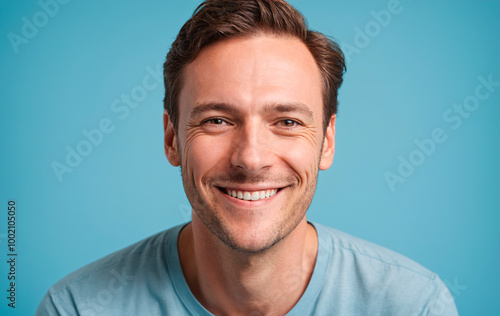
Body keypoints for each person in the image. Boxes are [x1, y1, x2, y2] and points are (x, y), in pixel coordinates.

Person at [37, 0, 458, 315]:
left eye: (288, 122)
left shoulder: (413, 305)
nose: (251, 159)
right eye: (217, 120)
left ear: (327, 141)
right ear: (172, 139)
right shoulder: (77, 307)